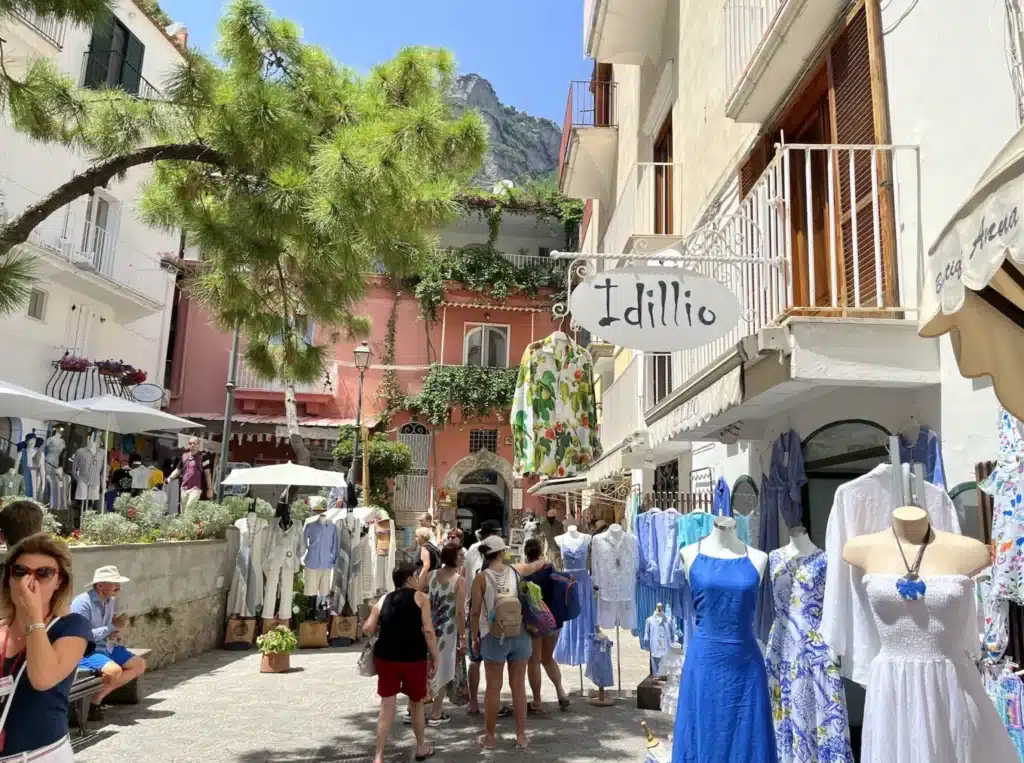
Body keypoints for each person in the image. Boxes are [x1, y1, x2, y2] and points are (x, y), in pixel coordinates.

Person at [0, 533, 93, 761]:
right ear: (9, 578)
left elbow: (42, 679)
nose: (29, 581)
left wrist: (32, 614)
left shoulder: (72, 626)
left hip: (40, 755)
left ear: (59, 581)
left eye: (43, 573)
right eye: (20, 571)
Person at [363, 562, 440, 763]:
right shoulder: (421, 598)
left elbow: (368, 628)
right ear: (409, 579)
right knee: (416, 704)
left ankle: (379, 756)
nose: (417, 579)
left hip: (386, 658)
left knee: (387, 706)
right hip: (413, 658)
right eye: (415, 576)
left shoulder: (383, 599)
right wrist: (436, 656)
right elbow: (429, 631)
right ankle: (421, 747)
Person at [470, 535, 531, 750]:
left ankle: (490, 737)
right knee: (519, 688)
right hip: (520, 634)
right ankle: (521, 736)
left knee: (493, 689)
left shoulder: (481, 578)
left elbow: (475, 611)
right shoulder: (515, 572)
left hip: (494, 636)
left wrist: (474, 636)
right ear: (502, 552)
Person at [71, 565, 148, 720]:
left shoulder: (110, 600)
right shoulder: (82, 603)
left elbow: (104, 628)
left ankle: (95, 699)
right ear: (100, 585)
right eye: (114, 583)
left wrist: (113, 631)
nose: (118, 586)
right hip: (86, 650)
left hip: (105, 646)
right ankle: (93, 705)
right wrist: (112, 627)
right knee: (114, 671)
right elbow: (81, 636)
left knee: (139, 664)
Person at [515, 537, 570, 713]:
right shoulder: (550, 567)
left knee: (535, 660)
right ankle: (561, 693)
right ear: (540, 551)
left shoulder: (522, 572)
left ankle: (537, 701)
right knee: (548, 658)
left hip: (534, 622)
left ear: (526, 553)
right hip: (553, 620)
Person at [463, 519, 507, 717]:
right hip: (488, 609)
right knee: (492, 660)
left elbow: (466, 575)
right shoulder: (490, 552)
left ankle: (474, 703)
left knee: (475, 659)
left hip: (473, 606)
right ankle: (492, 703)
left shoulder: (471, 549)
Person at [426, 543, 466, 727]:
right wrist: (463, 635)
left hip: (430, 626)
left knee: (427, 668)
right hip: (448, 631)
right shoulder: (458, 581)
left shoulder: (431, 575)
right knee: (441, 670)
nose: (463, 558)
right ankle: (435, 712)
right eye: (460, 555)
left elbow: (422, 596)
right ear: (453, 558)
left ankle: (414, 709)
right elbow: (459, 612)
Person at [168, 437, 204, 512]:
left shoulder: (203, 457)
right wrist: (170, 478)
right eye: (190, 443)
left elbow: (207, 473)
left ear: (198, 445)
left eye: (194, 443)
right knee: (183, 510)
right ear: (188, 445)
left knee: (189, 507)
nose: (192, 445)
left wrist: (210, 488)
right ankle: (186, 523)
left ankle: (188, 522)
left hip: (196, 487)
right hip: (185, 486)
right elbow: (178, 469)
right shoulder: (184, 456)